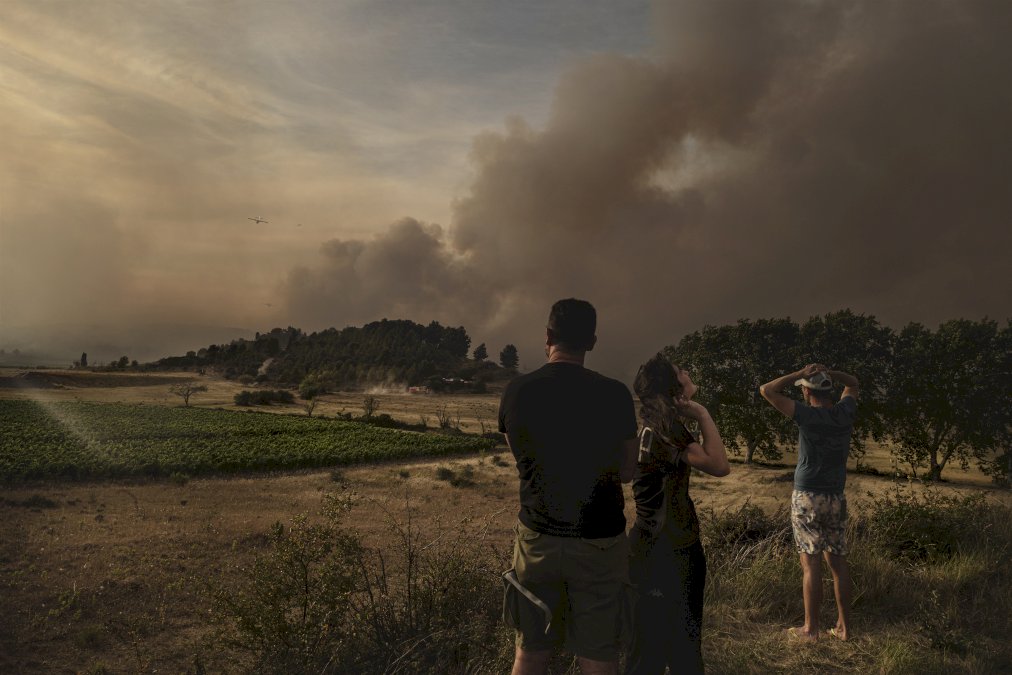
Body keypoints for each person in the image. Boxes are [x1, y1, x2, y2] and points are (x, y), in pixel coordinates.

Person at [499, 298, 639, 675]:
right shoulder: (615, 394)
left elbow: (520, 458)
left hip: (537, 541)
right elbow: (628, 471)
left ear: (547, 336)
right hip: (599, 542)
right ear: (592, 342)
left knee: (530, 652)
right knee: (598, 652)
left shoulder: (517, 391)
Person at [625, 354, 730, 675]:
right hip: (672, 549)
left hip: (650, 546)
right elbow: (719, 465)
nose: (687, 371)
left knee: (646, 649)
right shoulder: (668, 431)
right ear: (675, 389)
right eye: (680, 371)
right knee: (681, 648)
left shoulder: (653, 427)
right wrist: (702, 414)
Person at [759, 363, 860, 642]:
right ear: (829, 390)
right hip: (836, 496)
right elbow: (853, 382)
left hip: (808, 496)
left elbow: (766, 390)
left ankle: (811, 629)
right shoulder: (844, 412)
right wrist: (834, 374)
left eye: (803, 388)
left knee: (810, 564)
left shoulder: (806, 415)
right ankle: (844, 628)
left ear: (806, 392)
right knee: (838, 564)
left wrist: (798, 374)